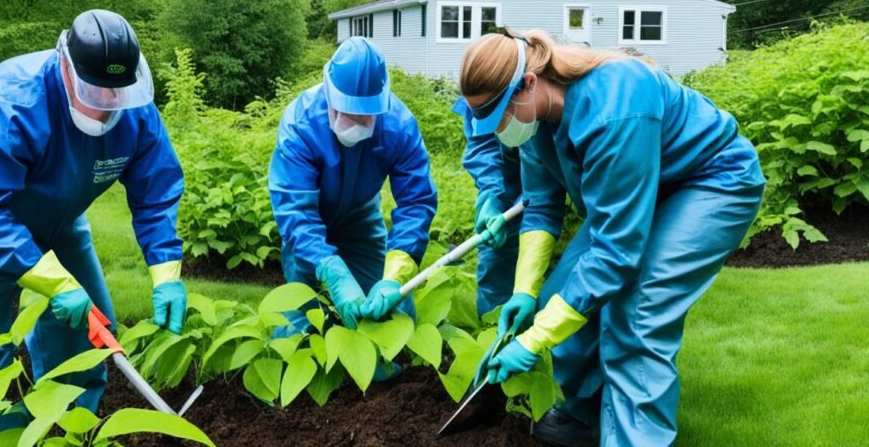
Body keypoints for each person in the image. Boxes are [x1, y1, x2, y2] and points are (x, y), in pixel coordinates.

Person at [462, 28, 764, 447]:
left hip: (708, 182)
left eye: (499, 119)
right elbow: (542, 206)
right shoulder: (535, 120)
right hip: (639, 192)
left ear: (528, 83)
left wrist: (535, 340)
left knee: (637, 312)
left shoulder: (615, 103)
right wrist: (525, 293)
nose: (499, 132)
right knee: (561, 295)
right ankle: (584, 416)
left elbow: (616, 255)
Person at [0, 9, 188, 445]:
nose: (105, 108)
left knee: (86, 346)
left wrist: (166, 274)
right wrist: (54, 282)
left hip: (60, 227)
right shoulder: (12, 99)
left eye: (115, 94)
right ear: (65, 66)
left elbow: (156, 191)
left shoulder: (135, 112)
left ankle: (67, 437)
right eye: (94, 92)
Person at [268, 37, 437, 348]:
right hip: (309, 223)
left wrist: (396, 271)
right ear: (330, 97)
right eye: (347, 112)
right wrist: (332, 270)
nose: (356, 123)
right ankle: (287, 378)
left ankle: (385, 375)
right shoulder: (301, 125)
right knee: (305, 316)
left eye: (365, 114)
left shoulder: (398, 126)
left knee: (392, 310)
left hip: (361, 217)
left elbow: (416, 201)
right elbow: (295, 211)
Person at [452, 99, 522, 318]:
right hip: (508, 174)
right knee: (495, 252)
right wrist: (493, 193)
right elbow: (481, 142)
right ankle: (494, 329)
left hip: (557, 172)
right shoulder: (479, 94)